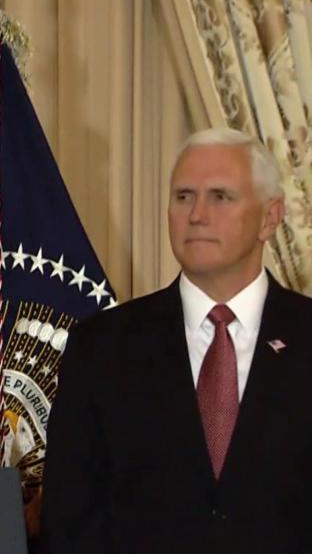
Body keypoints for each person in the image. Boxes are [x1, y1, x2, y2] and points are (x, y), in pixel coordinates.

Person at [39, 128, 312, 553]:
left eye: (220, 196)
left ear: (270, 218)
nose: (197, 214)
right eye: (184, 196)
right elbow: (69, 521)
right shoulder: (101, 348)